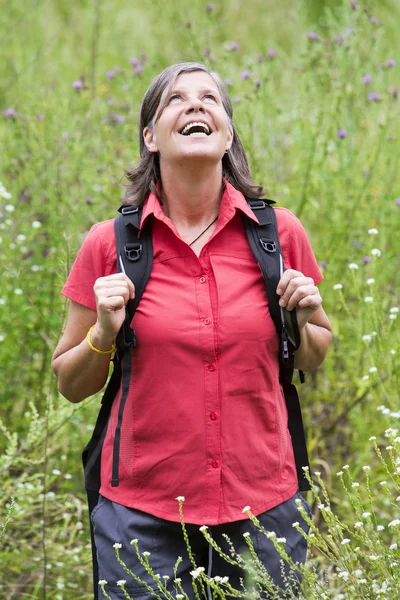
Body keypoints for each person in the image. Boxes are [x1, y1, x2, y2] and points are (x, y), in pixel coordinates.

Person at [52, 61, 332, 599]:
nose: (196, 105)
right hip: (141, 512)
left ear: (227, 132)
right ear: (150, 137)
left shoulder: (279, 235)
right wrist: (103, 334)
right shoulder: (109, 245)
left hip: (264, 507)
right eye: (176, 100)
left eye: (210, 98)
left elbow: (313, 354)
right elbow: (70, 384)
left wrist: (305, 318)